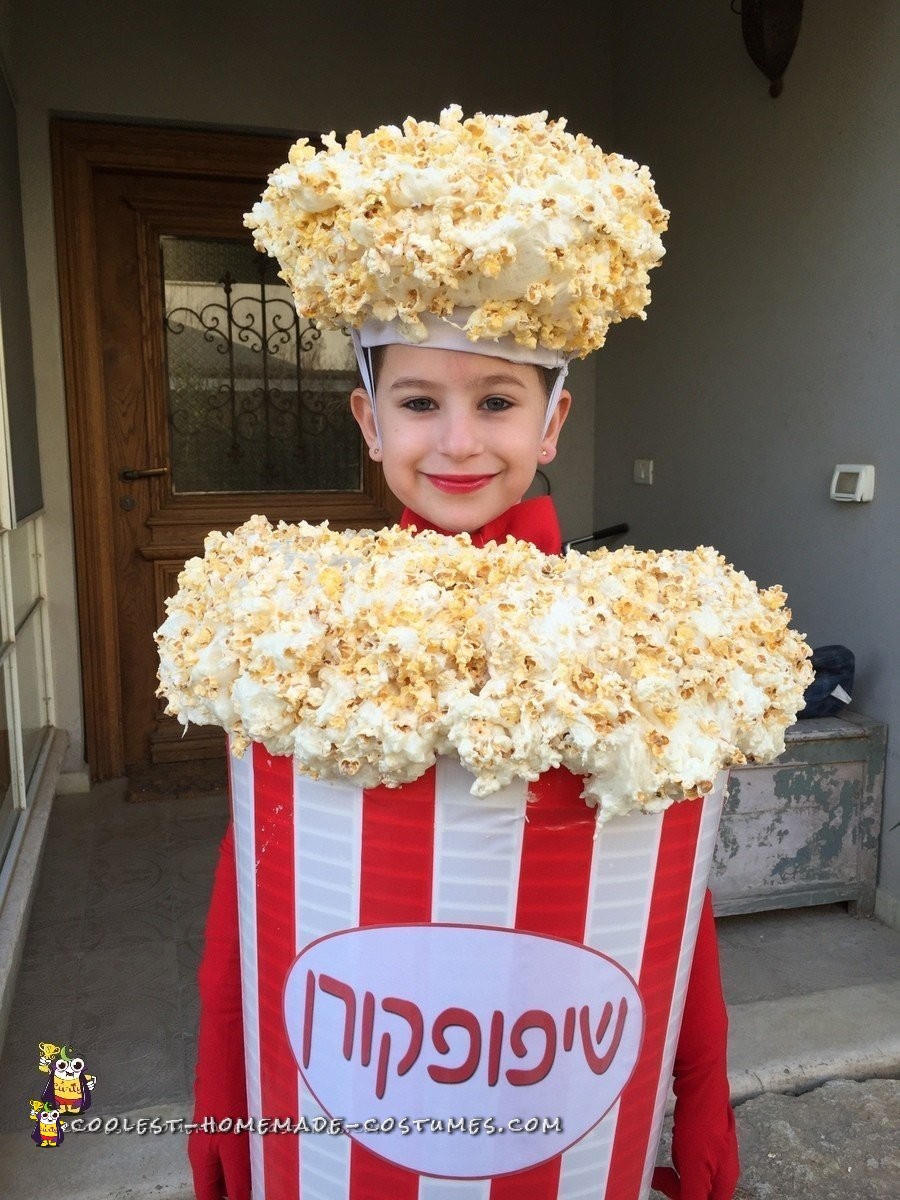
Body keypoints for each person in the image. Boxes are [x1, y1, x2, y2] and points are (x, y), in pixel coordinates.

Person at [187, 107, 739, 1199]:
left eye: (495, 401)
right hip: (368, 1058)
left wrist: (701, 1102)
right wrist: (225, 1104)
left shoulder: (620, 640)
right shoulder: (307, 628)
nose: (455, 441)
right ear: (369, 421)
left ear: (552, 424)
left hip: (543, 1082)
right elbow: (251, 882)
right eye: (419, 402)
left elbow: (672, 901)